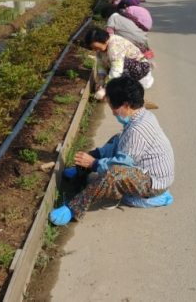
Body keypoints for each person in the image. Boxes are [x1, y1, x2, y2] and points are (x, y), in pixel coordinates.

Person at [49, 77, 175, 226]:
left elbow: (120, 164)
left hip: (154, 183)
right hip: (146, 170)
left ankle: (73, 208)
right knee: (118, 138)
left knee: (113, 174)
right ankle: (81, 170)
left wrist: (94, 164)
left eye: (113, 107)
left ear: (126, 105)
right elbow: (122, 146)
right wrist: (93, 157)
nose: (113, 113)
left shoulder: (137, 130)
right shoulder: (142, 115)